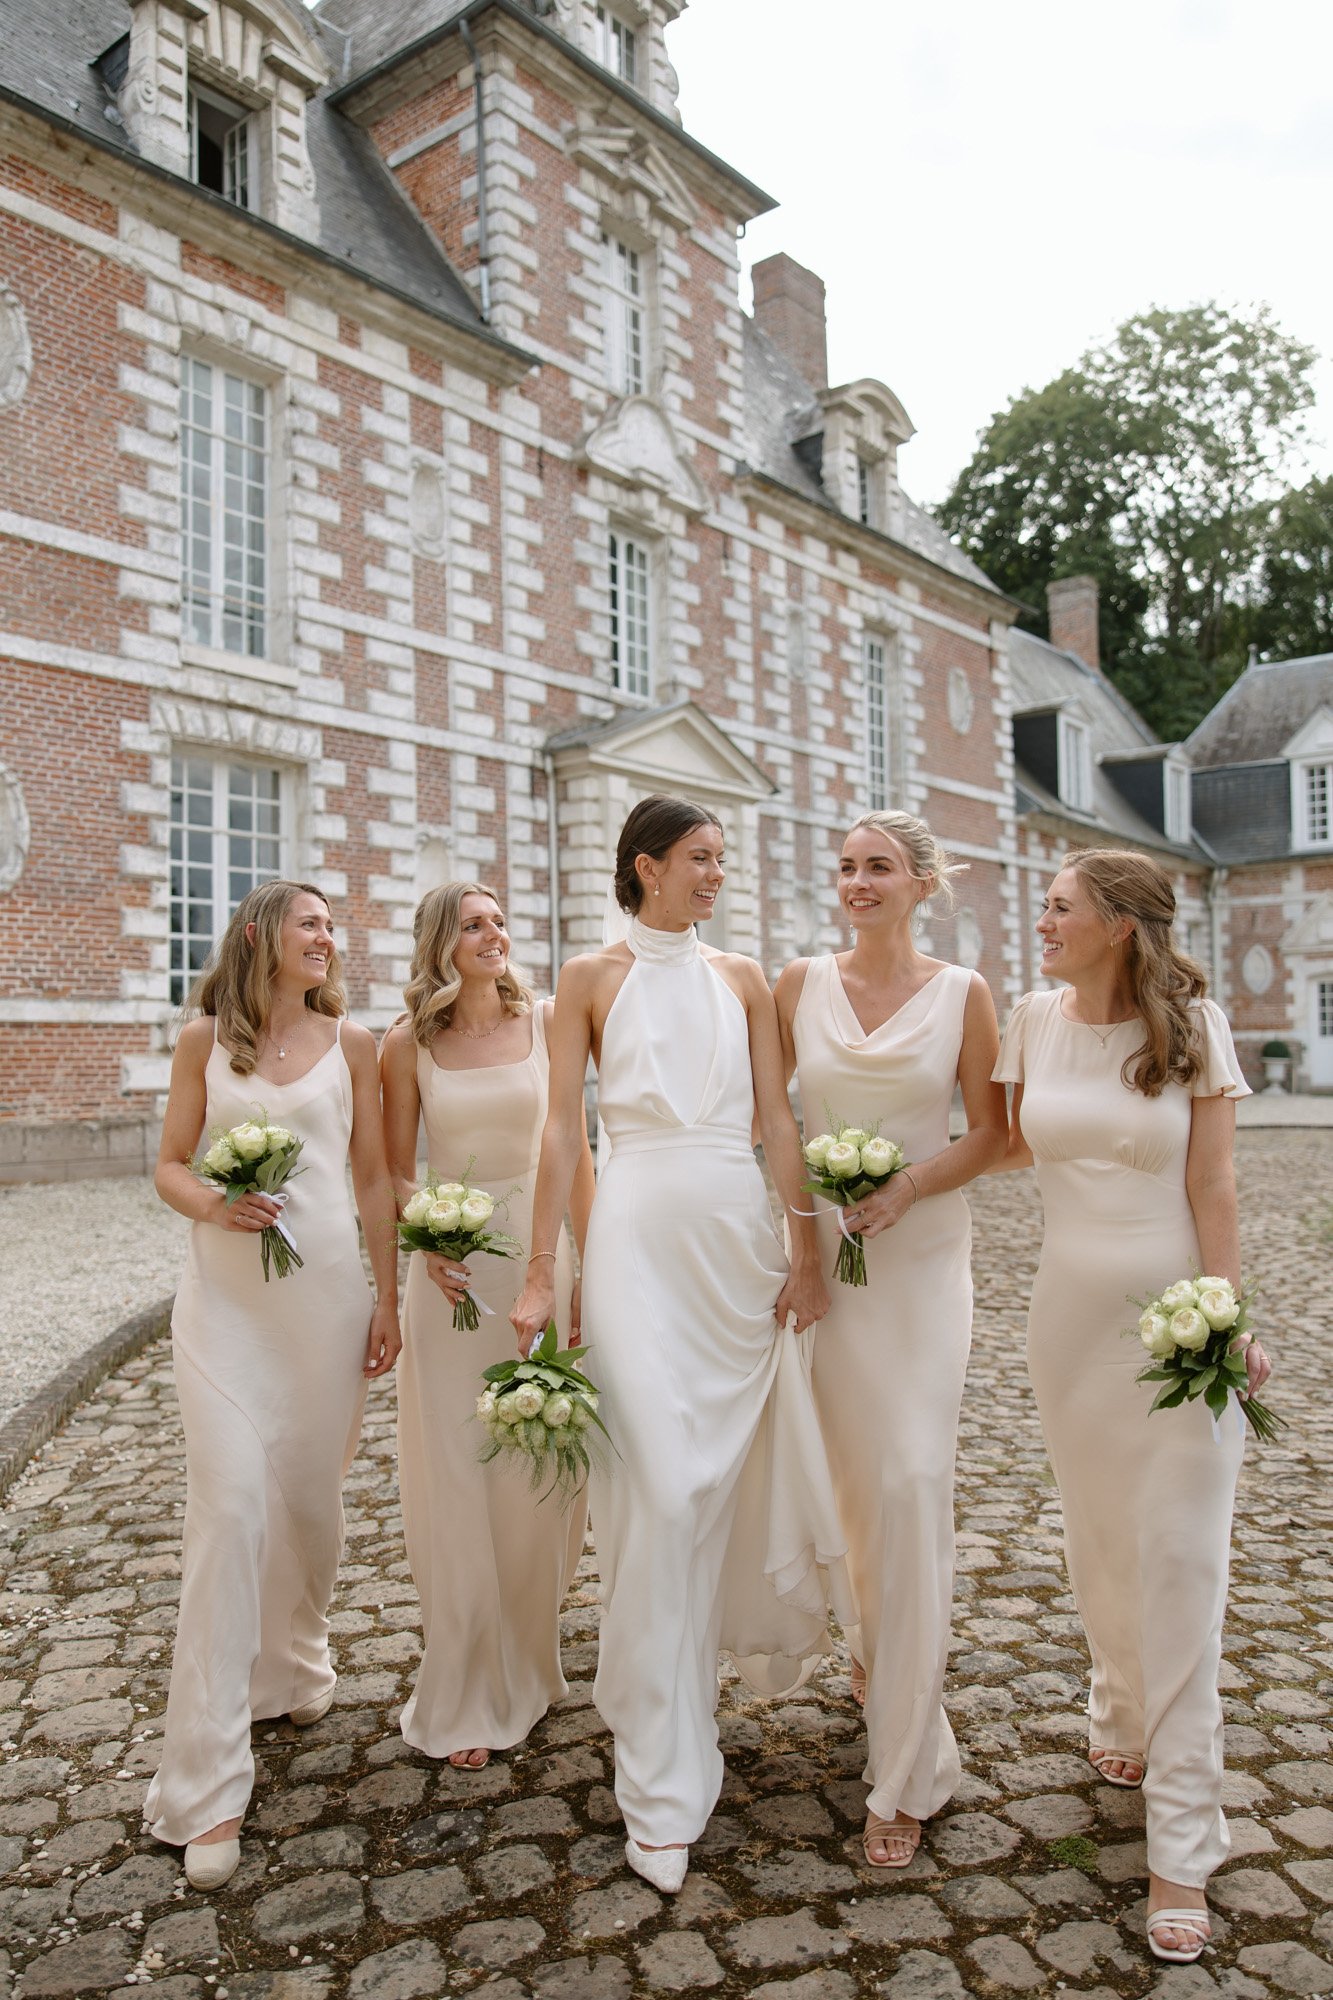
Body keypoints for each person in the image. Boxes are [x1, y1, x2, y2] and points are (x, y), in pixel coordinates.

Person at [511, 795, 849, 1896]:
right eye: (700, 858)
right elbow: (562, 1127)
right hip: (636, 1243)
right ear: (646, 866)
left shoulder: (744, 977)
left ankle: (678, 1691)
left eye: (721, 859)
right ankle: (656, 1765)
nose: (717, 874)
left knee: (712, 1491)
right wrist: (538, 1268)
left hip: (734, 1245)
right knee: (657, 1486)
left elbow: (779, 1119)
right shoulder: (587, 980)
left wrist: (804, 1250)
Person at [993, 848, 1272, 1964]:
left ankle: (1182, 1845)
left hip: (1179, 1323)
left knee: (1181, 1562)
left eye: (1058, 906)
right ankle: (1118, 1712)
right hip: (1065, 1325)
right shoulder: (1028, 1018)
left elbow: (1213, 1186)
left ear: (1117, 923)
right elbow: (1000, 1144)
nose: (1042, 920)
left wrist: (1229, 1312)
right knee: (1100, 1541)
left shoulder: (1194, 1025)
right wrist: (884, 1183)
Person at [145, 881, 400, 1890]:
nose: (328, 939)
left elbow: (374, 1177)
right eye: (311, 924)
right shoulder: (202, 1038)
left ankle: (294, 1662)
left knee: (309, 1508)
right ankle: (204, 1782)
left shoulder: (358, 1046)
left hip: (327, 1304)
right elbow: (166, 1164)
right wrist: (213, 1200)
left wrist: (388, 1295)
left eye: (332, 927)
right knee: (232, 1508)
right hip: (226, 1308)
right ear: (261, 935)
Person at [776, 809, 1008, 1868]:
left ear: (923, 882)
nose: (857, 881)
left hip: (920, 1272)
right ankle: (873, 1645)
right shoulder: (796, 986)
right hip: (827, 1274)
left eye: (878, 867)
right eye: (846, 867)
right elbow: (770, 1127)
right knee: (848, 1482)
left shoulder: (964, 993)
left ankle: (910, 1762)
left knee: (912, 1480)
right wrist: (803, 1247)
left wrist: (906, 1184)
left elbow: (996, 1136)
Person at [381, 882, 595, 1769]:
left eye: (501, 920)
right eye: (473, 925)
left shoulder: (548, 1023)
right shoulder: (406, 1045)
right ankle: (468, 1671)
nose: (494, 935)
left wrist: (593, 1268)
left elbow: (573, 1149)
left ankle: (527, 1658)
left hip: (541, 1257)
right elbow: (391, 1174)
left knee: (536, 1465)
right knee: (458, 1468)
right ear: (441, 942)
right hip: (451, 1277)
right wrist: (427, 1236)